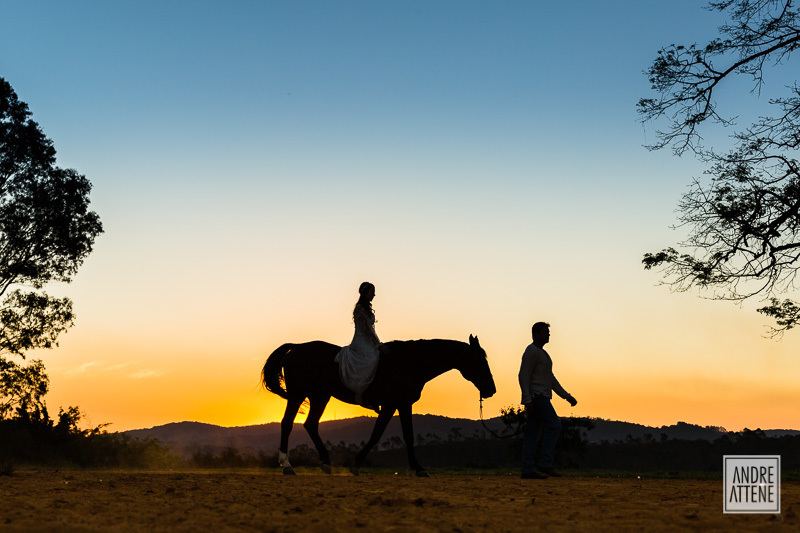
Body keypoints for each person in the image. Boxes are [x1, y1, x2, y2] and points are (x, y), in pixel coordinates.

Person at [518, 321, 577, 479]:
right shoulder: (531, 351)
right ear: (536, 334)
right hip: (537, 396)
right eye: (545, 332)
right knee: (554, 425)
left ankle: (527, 469)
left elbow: (550, 379)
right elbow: (523, 375)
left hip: (540, 396)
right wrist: (527, 398)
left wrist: (566, 396)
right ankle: (544, 463)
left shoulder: (543, 354)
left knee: (532, 432)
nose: (548, 335)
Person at [335, 281, 383, 408]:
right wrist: (378, 344)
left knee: (379, 357)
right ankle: (359, 392)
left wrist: (377, 343)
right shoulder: (360, 309)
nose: (374, 295)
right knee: (372, 359)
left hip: (369, 341)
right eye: (372, 292)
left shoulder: (366, 308)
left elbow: (371, 330)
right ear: (366, 293)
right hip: (361, 341)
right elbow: (367, 329)